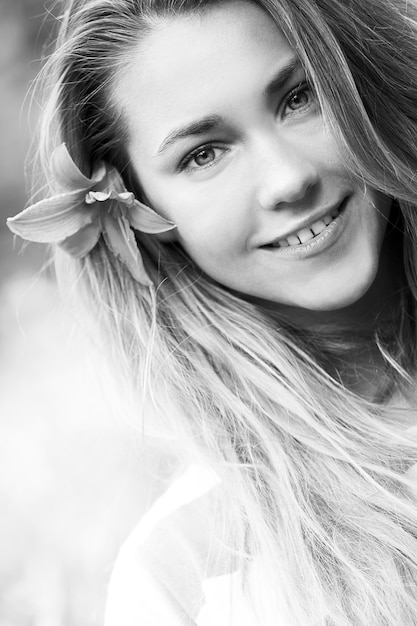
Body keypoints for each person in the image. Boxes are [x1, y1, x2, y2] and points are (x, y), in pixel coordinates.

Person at [7, 0, 417, 623]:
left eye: (300, 96)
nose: (287, 180)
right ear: (137, 212)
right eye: (204, 154)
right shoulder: (185, 578)